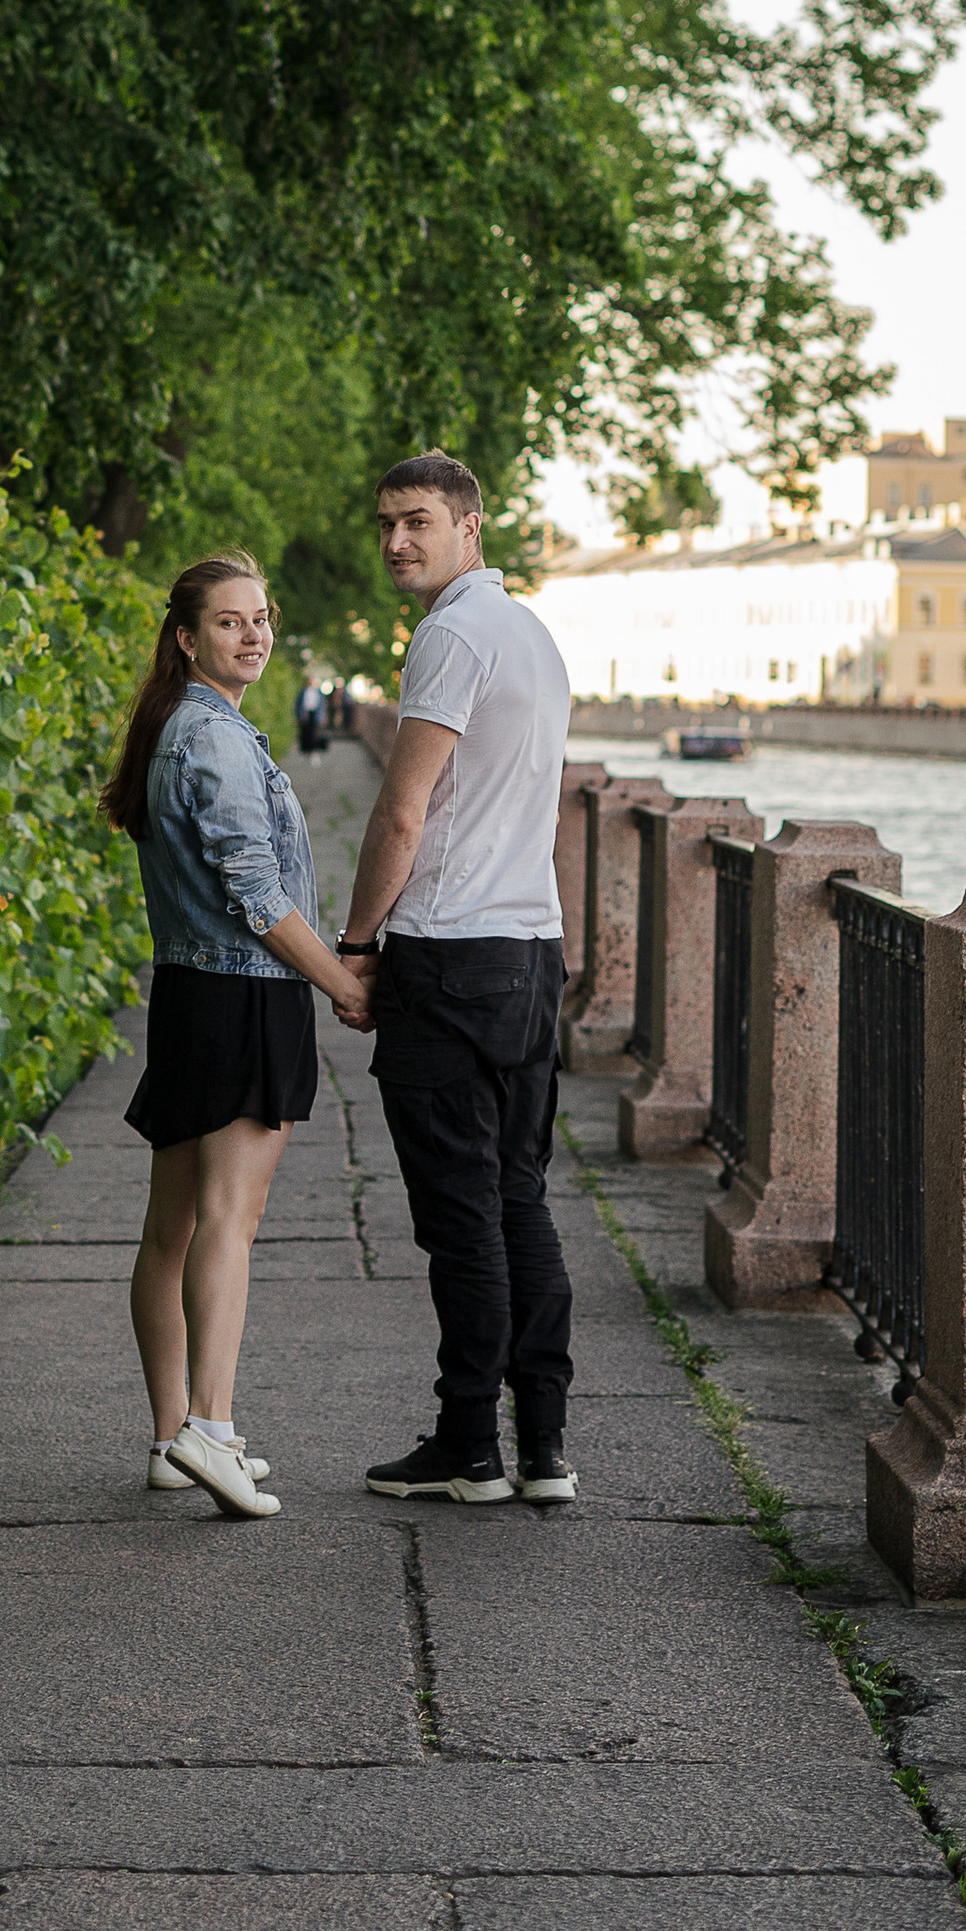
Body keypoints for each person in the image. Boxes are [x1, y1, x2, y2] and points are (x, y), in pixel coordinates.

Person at [99, 555, 372, 1518]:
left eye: (260, 618)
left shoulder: (179, 724)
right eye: (229, 622)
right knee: (228, 1220)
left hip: (190, 992)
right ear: (187, 638)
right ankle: (209, 1431)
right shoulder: (213, 738)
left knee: (171, 1229)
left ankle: (172, 1439)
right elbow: (257, 894)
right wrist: (343, 982)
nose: (253, 635)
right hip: (243, 997)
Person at [330, 453, 579, 1505]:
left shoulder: (451, 635)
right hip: (531, 952)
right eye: (386, 523)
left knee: (461, 1216)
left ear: (469, 525)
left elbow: (404, 811)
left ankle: (471, 1444)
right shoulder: (531, 633)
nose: (397, 541)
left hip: (450, 953)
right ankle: (545, 1449)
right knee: (519, 1197)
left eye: (418, 521)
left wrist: (356, 944)